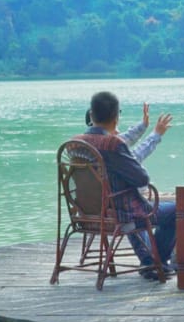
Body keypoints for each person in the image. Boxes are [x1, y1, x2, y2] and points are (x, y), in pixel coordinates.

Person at [74, 91, 177, 280]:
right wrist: (154, 135)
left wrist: (143, 127)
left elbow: (120, 145)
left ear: (92, 114)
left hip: (89, 214)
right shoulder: (113, 145)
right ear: (116, 117)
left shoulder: (76, 142)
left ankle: (151, 260)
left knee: (127, 201)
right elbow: (141, 179)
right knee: (179, 210)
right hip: (121, 214)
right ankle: (155, 261)